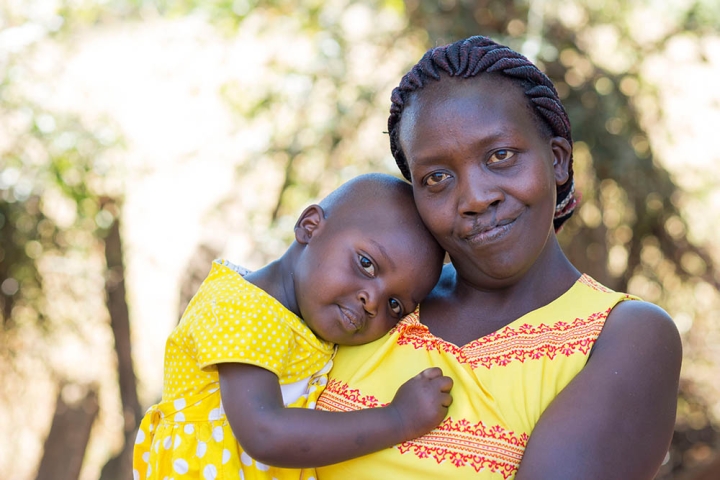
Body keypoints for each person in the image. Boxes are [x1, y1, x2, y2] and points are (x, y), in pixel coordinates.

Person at [315, 36, 682, 479]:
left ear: (558, 160)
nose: (475, 197)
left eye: (500, 155)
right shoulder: (371, 302)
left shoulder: (626, 335)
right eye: (436, 178)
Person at [132, 173, 452, 480]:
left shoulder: (306, 325)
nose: (372, 301)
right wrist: (397, 419)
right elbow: (265, 433)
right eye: (366, 264)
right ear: (310, 226)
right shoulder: (241, 307)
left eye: (394, 305)